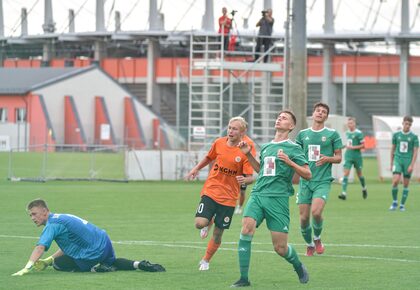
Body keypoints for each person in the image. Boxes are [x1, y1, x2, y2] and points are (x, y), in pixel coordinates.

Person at [231, 110, 311, 287]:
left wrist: (290, 162)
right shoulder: (267, 147)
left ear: (291, 126)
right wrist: (248, 154)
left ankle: (298, 266)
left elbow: (308, 174)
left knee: (280, 249)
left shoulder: (294, 148)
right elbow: (262, 171)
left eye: (284, 118)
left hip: (278, 199)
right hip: (258, 194)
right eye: (279, 117)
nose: (279, 119)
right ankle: (244, 278)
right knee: (246, 229)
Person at [12, 199, 165, 276]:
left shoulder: (52, 224)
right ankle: (139, 264)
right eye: (30, 215)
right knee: (111, 262)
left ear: (45, 211)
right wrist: (47, 261)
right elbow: (69, 246)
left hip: (92, 253)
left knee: (59, 264)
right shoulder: (62, 217)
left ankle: (95, 268)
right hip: (105, 241)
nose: (32, 218)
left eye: (34, 214)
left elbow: (40, 247)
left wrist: (27, 267)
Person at [185, 116, 254, 271]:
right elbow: (209, 157)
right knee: (199, 223)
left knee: (217, 234)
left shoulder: (245, 151)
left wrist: (244, 180)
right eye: (229, 127)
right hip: (211, 190)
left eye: (235, 128)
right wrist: (196, 169)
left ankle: (206, 260)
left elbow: (250, 177)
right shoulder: (219, 143)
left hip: (229, 198)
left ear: (242, 132)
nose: (231, 131)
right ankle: (208, 221)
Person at [295, 102, 343, 257]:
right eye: (318, 111)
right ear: (313, 113)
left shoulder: (332, 134)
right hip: (305, 181)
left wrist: (327, 159)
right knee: (303, 218)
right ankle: (309, 245)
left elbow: (338, 158)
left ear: (326, 116)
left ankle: (317, 238)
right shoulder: (302, 134)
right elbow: (296, 155)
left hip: (322, 181)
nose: (320, 113)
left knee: (316, 212)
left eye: (323, 112)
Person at [389, 116, 419, 211]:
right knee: (395, 181)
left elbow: (415, 152)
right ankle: (394, 202)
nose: (407, 126)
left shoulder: (414, 137)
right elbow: (393, 149)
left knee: (406, 184)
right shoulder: (396, 135)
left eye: (409, 124)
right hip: (398, 160)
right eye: (406, 124)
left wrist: (412, 165)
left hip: (407, 162)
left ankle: (402, 205)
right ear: (403, 123)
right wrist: (391, 163)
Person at [338, 117, 368, 200]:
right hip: (348, 156)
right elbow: (345, 144)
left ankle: (364, 188)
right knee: (346, 173)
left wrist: (353, 147)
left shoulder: (359, 133)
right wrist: (342, 146)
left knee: (359, 174)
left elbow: (363, 145)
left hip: (357, 156)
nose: (349, 125)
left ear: (354, 124)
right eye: (348, 123)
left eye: (351, 123)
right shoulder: (346, 133)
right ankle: (344, 193)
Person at [235, 134, 257, 215]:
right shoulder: (233, 139)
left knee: (242, 191)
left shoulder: (249, 142)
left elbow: (252, 155)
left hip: (245, 169)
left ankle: (239, 207)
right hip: (235, 168)